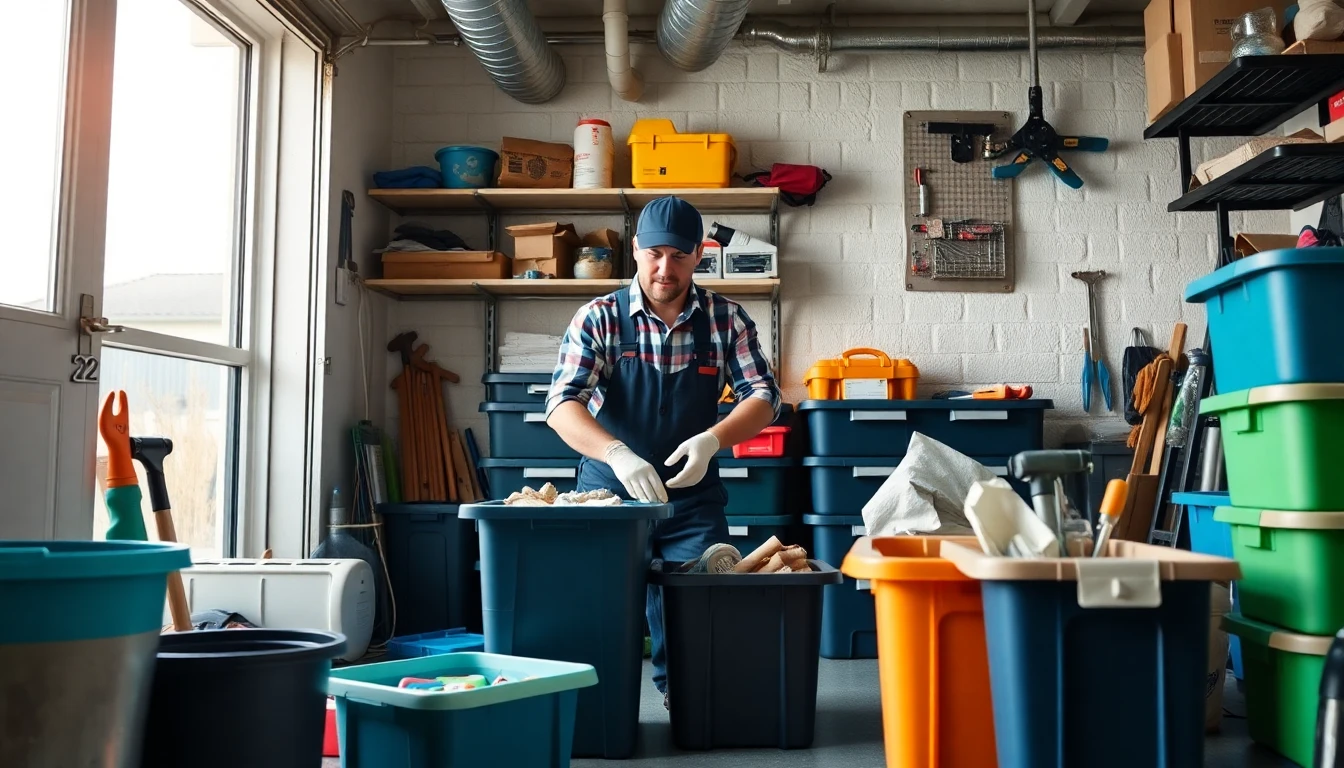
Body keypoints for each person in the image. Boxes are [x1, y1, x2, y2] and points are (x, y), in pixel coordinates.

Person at [545, 195, 782, 708]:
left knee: (700, 606)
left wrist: (713, 439)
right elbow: (562, 404)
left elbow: (765, 398)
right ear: (635, 250)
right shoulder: (599, 318)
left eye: (678, 255)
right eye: (654, 253)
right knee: (600, 610)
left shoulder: (726, 320)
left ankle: (689, 698)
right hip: (610, 498)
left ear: (700, 253)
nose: (664, 267)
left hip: (690, 499)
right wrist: (616, 453)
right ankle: (597, 706)